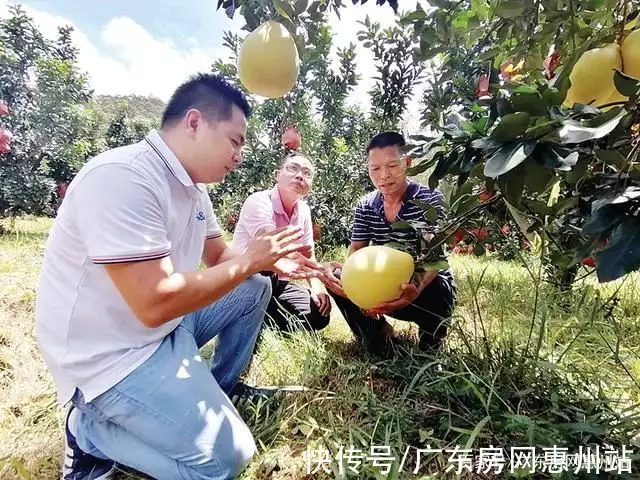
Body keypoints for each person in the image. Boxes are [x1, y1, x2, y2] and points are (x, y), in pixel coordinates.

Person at [35, 73, 323, 480]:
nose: (240, 155)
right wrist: (252, 258)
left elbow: (220, 253)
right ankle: (89, 432)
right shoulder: (125, 177)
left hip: (161, 331)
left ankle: (224, 386)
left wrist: (270, 264)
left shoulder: (192, 187)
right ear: (194, 123)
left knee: (254, 288)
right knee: (226, 460)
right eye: (235, 141)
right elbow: (155, 302)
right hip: (112, 356)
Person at [322, 131, 457, 356]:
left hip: (421, 291)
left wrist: (415, 290)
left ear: (408, 162)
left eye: (393, 166)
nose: (384, 175)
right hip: (385, 288)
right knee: (335, 276)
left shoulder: (429, 200)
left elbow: (434, 258)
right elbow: (356, 250)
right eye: (375, 169)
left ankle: (431, 339)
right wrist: (356, 288)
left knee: (438, 286)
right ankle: (377, 334)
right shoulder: (366, 205)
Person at [232, 152, 331, 333]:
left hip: (278, 282)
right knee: (263, 275)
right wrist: (324, 271)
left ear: (311, 185)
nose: (300, 175)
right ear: (277, 175)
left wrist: (317, 287)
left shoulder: (304, 211)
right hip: (247, 278)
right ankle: (246, 313)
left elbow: (308, 254)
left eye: (307, 173)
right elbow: (271, 243)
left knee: (319, 314)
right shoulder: (259, 201)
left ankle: (263, 319)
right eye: (293, 168)